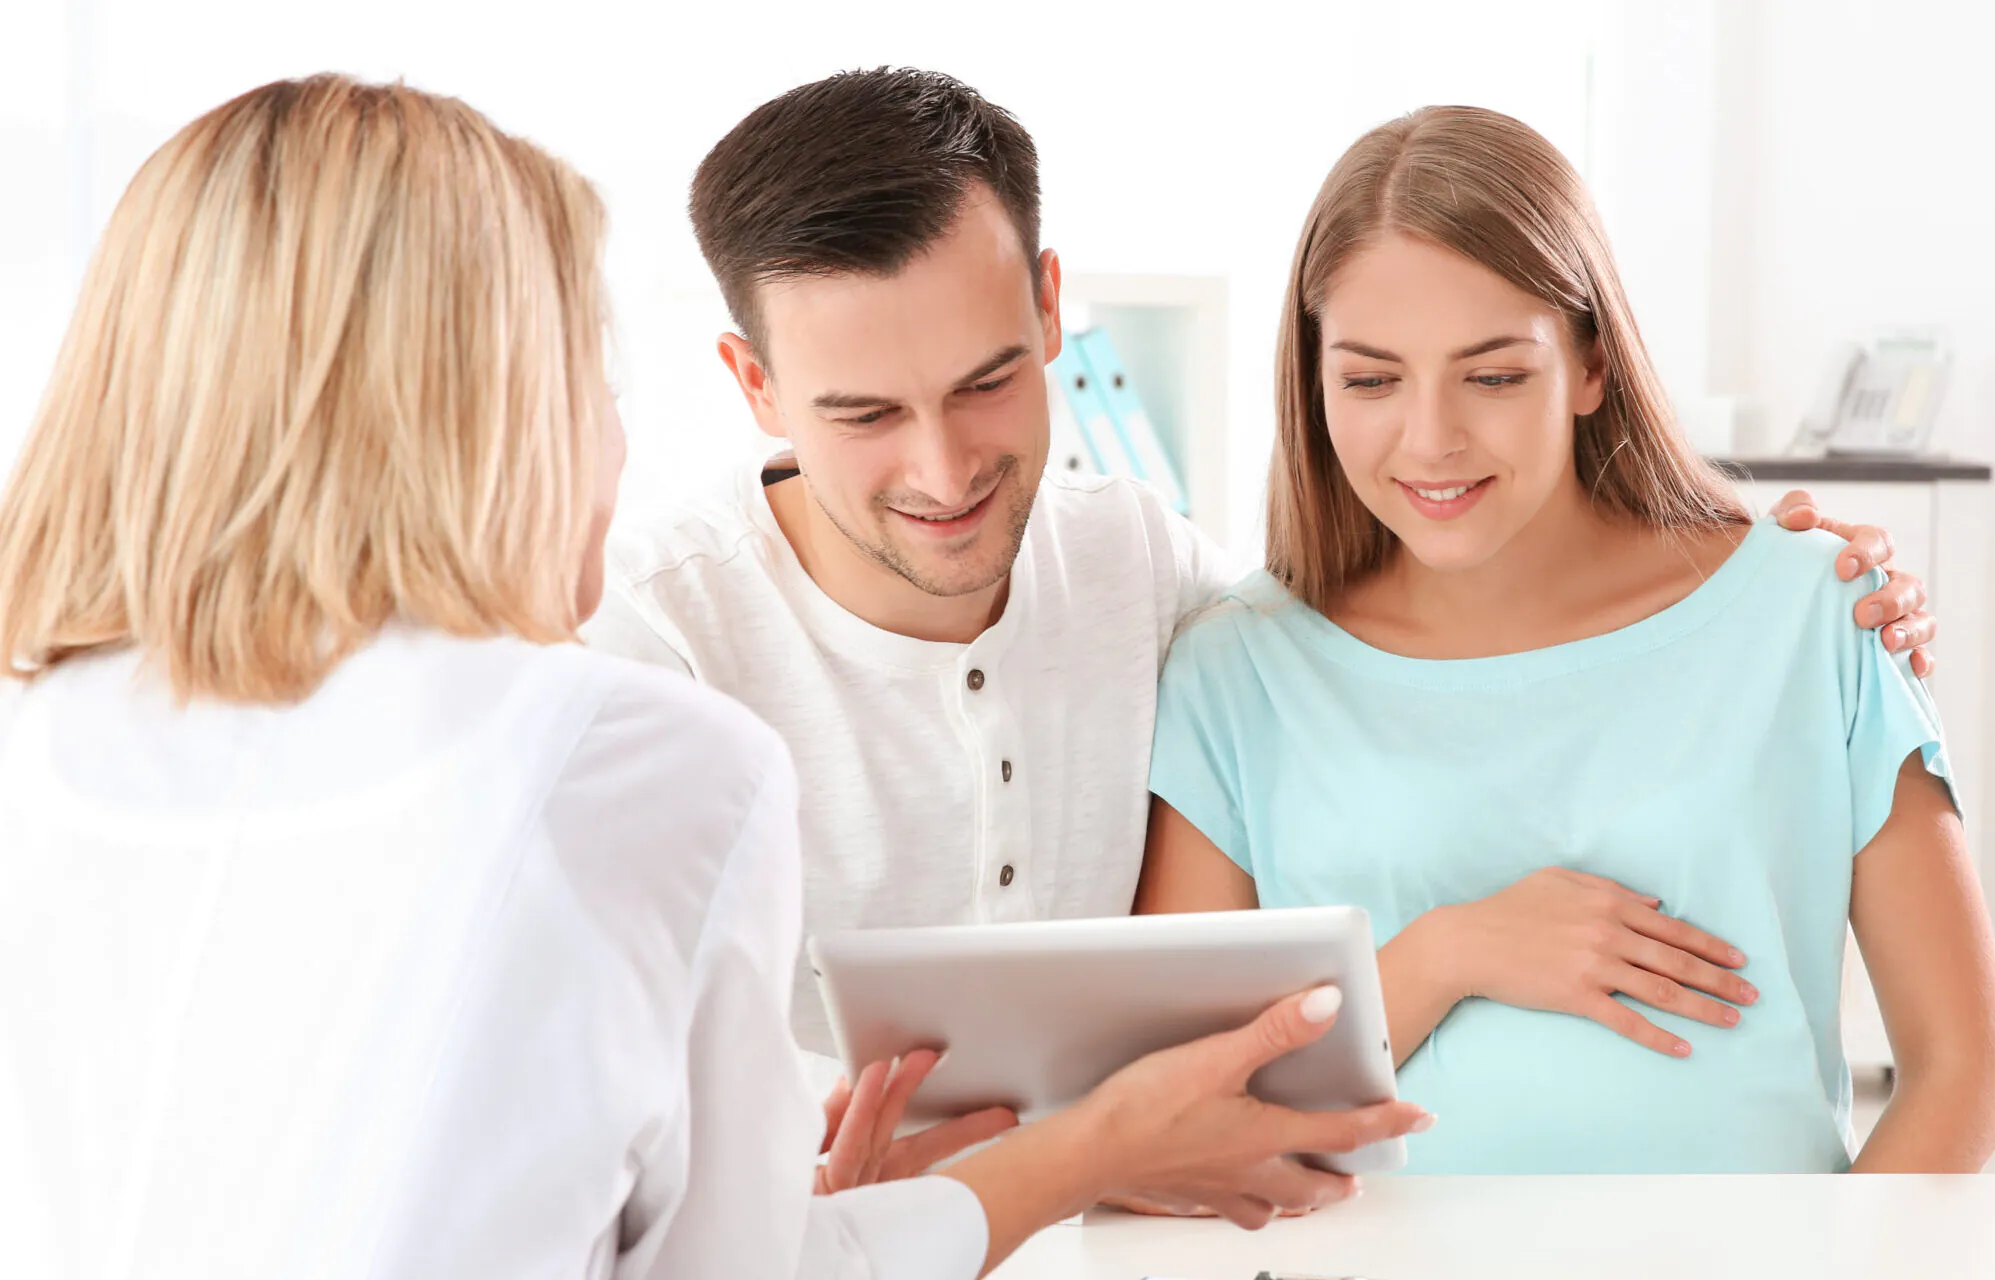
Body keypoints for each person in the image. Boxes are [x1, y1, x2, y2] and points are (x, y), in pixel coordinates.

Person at [0, 75, 1426, 1280]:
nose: (615, 444)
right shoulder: (629, 741)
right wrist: (1092, 1149)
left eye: (984, 383)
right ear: (471, 417)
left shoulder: (64, 742)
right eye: (583, 378)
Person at [584, 68, 1944, 1061]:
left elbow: (1389, 641)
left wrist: (1818, 590)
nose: (942, 472)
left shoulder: (1149, 574)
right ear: (754, 385)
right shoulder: (646, 653)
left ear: (1054, 308)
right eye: (865, 415)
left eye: (988, 382)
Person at [1136, 106, 1995, 1176]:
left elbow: (1963, 1067)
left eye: (1494, 374)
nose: (1430, 438)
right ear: (1313, 381)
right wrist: (1446, 954)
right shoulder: (1237, 671)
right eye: (1370, 379)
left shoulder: (1811, 613)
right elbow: (1179, 1118)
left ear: (1591, 364)